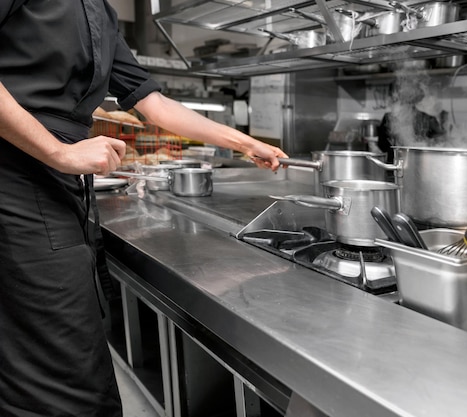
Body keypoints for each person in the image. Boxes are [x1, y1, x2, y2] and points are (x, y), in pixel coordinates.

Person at [0, 1, 287, 416]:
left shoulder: (100, 11)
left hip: (62, 190)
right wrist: (58, 152)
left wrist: (244, 143)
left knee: (79, 353)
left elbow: (154, 104)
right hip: (15, 179)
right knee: (58, 379)